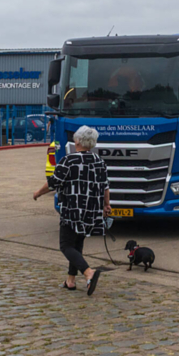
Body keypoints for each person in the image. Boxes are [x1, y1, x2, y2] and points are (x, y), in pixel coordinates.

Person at [32, 126, 111, 295]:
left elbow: (54, 182)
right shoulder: (99, 161)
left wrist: (38, 193)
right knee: (77, 244)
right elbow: (105, 186)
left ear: (77, 141)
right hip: (91, 210)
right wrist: (106, 205)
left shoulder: (69, 160)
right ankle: (70, 281)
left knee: (66, 245)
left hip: (72, 209)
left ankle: (88, 273)